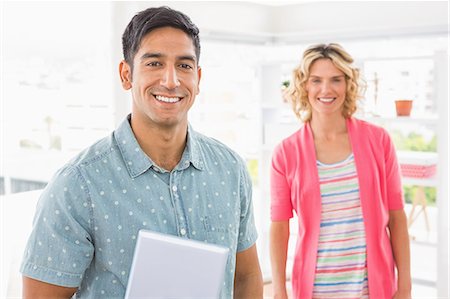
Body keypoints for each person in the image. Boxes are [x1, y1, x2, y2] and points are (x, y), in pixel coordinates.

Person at [20, 6, 263, 298]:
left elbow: (246, 277)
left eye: (184, 66)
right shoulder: (77, 185)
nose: (171, 81)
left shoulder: (230, 170)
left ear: (197, 78)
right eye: (154, 63)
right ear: (126, 75)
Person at [269, 43, 411, 299]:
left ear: (348, 84)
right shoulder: (285, 152)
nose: (326, 89)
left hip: (372, 289)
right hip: (315, 290)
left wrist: (405, 287)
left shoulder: (378, 141)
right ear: (304, 86)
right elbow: (279, 227)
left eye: (336, 79)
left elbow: (397, 217)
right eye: (316, 80)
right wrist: (280, 291)